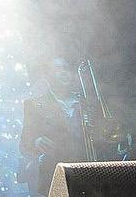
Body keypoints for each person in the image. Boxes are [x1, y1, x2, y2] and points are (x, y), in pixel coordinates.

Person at [19, 57, 88, 197]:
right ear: (47, 76)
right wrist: (36, 141)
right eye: (58, 69)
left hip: (87, 171)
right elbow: (25, 141)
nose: (64, 72)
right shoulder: (34, 105)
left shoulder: (85, 102)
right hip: (54, 174)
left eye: (66, 68)